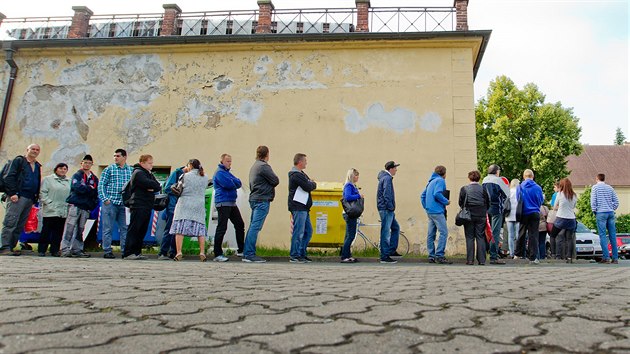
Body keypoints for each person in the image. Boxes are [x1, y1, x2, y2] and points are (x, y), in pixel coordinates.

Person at [0, 144, 42, 256]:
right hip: (18, 196)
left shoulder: (37, 165)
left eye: (37, 150)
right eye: (32, 149)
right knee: (11, 222)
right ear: (27, 150)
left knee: (20, 224)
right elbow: (8, 177)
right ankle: (4, 247)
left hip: (29, 198)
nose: (35, 151)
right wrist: (12, 193)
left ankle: (11, 246)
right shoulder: (19, 161)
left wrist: (35, 198)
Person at [243, 146, 279, 263]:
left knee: (252, 226)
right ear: (267, 154)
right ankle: (249, 254)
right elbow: (275, 180)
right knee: (255, 227)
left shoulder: (255, 165)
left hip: (255, 198)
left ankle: (247, 252)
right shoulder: (263, 166)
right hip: (261, 199)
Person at [123, 154, 161, 260]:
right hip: (138, 205)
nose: (151, 165)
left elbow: (157, 185)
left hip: (147, 205)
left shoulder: (148, 173)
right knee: (135, 229)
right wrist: (150, 187)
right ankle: (128, 252)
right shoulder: (138, 173)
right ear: (142, 163)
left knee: (142, 230)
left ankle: (137, 251)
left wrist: (151, 187)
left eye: (152, 163)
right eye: (149, 163)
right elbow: (148, 183)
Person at [61, 155, 99, 258]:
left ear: (92, 164)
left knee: (81, 229)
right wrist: (88, 189)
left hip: (86, 206)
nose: (87, 164)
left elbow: (96, 191)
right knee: (70, 227)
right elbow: (76, 188)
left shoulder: (94, 178)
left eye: (89, 163)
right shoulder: (77, 175)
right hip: (75, 204)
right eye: (85, 162)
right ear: (81, 163)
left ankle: (77, 249)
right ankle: (65, 249)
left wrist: (89, 192)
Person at [98, 148, 132, 259]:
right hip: (111, 202)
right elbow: (101, 185)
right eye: (114, 156)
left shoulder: (131, 170)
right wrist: (105, 199)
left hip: (124, 204)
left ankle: (124, 250)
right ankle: (107, 250)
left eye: (118, 156)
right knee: (108, 228)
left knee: (125, 228)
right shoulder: (109, 169)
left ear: (124, 157)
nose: (115, 158)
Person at [171, 159, 208, 262]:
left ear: (190, 165)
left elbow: (179, 188)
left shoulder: (185, 176)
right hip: (199, 205)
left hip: (185, 204)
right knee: (200, 230)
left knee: (180, 229)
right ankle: (202, 252)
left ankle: (179, 252)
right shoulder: (205, 177)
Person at [212, 153, 245, 262]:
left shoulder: (228, 173)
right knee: (222, 227)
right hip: (223, 202)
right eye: (227, 161)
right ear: (222, 161)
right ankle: (217, 253)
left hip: (231, 202)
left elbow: (238, 182)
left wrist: (235, 182)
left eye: (230, 161)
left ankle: (241, 250)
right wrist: (234, 182)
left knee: (240, 224)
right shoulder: (220, 173)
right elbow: (229, 184)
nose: (229, 163)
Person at [288, 153, 317, 263]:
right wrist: (312, 183)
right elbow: (308, 186)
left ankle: (301, 253)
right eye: (305, 161)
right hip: (298, 207)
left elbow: (309, 183)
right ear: (300, 162)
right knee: (299, 231)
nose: (306, 163)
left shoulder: (302, 174)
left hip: (304, 207)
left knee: (308, 231)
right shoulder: (295, 175)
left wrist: (311, 183)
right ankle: (294, 255)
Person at [37, 163, 71, 257]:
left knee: (58, 231)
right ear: (56, 169)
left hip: (63, 210)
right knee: (46, 230)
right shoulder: (48, 179)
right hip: (50, 209)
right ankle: (42, 250)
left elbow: (71, 194)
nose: (63, 170)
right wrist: (49, 203)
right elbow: (42, 193)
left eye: (65, 169)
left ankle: (55, 250)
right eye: (60, 168)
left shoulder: (69, 181)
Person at [421, 165, 452, 264]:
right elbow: (437, 193)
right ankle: (440, 255)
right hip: (437, 211)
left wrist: (426, 206)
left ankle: (431, 256)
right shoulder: (440, 181)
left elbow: (422, 195)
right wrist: (446, 201)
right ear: (444, 173)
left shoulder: (430, 182)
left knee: (431, 234)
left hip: (430, 211)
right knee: (444, 232)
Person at [458, 170, 490, 265]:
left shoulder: (464, 189)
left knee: (470, 237)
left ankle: (470, 260)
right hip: (481, 215)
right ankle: (482, 260)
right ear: (479, 178)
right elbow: (488, 202)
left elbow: (460, 202)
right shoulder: (483, 189)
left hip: (468, 216)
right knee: (480, 236)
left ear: (469, 178)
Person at [514, 169, 544, 264]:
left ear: (524, 176)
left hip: (524, 212)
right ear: (532, 176)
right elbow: (540, 200)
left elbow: (518, 198)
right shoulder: (538, 187)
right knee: (533, 235)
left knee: (521, 233)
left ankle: (518, 254)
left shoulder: (520, 187)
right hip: (535, 212)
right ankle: (533, 257)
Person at [157, 164, 186, 260]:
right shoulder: (177, 173)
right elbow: (167, 188)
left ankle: (173, 252)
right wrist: (177, 190)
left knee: (178, 230)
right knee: (170, 229)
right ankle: (163, 252)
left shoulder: (187, 176)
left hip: (181, 206)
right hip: (172, 205)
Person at [481, 164, 509, 264]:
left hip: (486, 209)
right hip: (497, 208)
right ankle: (494, 256)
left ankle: (485, 253)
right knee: (495, 233)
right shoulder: (498, 181)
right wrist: (503, 206)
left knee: (487, 232)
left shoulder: (484, 180)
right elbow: (507, 194)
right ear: (497, 171)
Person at [591, 173, 620, 264]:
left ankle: (606, 257)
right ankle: (615, 258)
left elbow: (593, 201)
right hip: (610, 212)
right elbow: (616, 201)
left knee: (602, 235)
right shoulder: (610, 188)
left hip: (601, 212)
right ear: (604, 179)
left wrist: (594, 211)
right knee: (612, 235)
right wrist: (612, 208)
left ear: (597, 179)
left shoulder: (595, 188)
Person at [377, 161, 400, 264]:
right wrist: (390, 207)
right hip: (386, 209)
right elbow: (387, 194)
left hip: (386, 208)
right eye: (395, 168)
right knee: (385, 232)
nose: (396, 169)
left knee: (395, 228)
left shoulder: (385, 177)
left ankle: (391, 250)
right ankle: (384, 256)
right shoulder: (387, 178)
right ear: (390, 168)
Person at [550, 178, 577, 263]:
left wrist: (559, 207)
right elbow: (573, 207)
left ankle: (553, 254)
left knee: (553, 235)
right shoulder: (574, 195)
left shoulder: (560, 194)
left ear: (561, 186)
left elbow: (554, 206)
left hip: (561, 218)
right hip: (571, 219)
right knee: (569, 239)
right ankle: (569, 257)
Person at [341, 168, 363, 263]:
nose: (357, 177)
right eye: (356, 175)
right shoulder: (348, 186)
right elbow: (347, 197)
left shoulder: (352, 185)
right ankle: (345, 256)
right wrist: (359, 196)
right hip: (350, 213)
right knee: (351, 236)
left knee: (348, 235)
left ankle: (347, 255)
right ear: (351, 176)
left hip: (349, 213)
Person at [505, 179, 520, 258]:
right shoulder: (519, 192)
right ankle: (517, 252)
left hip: (509, 215)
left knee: (510, 235)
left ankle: (511, 253)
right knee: (518, 235)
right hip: (518, 215)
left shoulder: (508, 192)